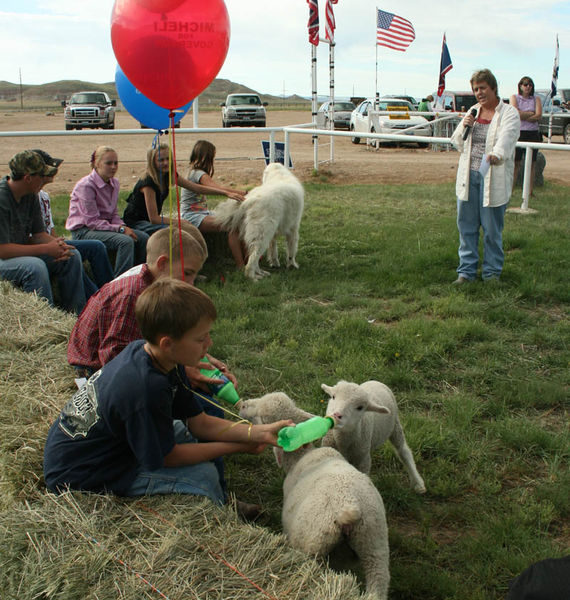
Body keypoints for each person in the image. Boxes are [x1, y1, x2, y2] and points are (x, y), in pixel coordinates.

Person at [45, 278, 293, 511]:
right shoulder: (145, 388)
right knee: (203, 475)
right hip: (83, 474)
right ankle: (221, 510)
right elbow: (168, 457)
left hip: (108, 445)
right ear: (167, 343)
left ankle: (222, 499)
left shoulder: (158, 358)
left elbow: (200, 423)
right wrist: (235, 446)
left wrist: (256, 433)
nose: (209, 344)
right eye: (200, 338)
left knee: (183, 432)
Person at [450, 69, 520, 284]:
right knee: (467, 227)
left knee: (491, 230)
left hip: (493, 176)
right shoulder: (473, 111)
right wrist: (465, 125)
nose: (479, 93)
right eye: (475, 89)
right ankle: (466, 272)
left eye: (483, 88)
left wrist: (495, 155)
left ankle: (491, 274)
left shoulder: (508, 113)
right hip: (469, 178)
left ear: (493, 88)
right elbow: (456, 142)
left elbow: (507, 138)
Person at [0, 150, 85, 314]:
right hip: (3, 259)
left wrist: (58, 246)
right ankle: (48, 320)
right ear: (28, 178)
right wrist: (46, 249)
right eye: (41, 176)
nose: (45, 180)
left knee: (72, 256)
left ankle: (76, 316)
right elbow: (3, 250)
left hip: (16, 254)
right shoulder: (2, 200)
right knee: (35, 267)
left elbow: (39, 234)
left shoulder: (30, 194)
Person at [32, 149, 114, 300]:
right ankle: (97, 298)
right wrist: (58, 246)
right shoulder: (31, 198)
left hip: (49, 242)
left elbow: (50, 229)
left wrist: (59, 242)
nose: (54, 172)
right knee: (72, 255)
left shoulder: (44, 196)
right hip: (38, 246)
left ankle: (109, 289)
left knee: (96, 246)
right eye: (51, 169)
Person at [123, 143, 246, 236]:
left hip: (151, 220)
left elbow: (197, 188)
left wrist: (226, 193)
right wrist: (179, 222)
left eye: (168, 159)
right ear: (153, 162)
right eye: (161, 160)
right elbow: (154, 219)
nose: (166, 163)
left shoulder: (169, 175)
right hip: (137, 222)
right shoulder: (148, 183)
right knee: (177, 232)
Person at [66, 146, 150, 277]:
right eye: (109, 163)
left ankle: (139, 277)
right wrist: (120, 230)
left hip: (103, 228)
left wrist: (122, 226)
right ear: (97, 164)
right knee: (125, 241)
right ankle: (120, 282)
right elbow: (91, 222)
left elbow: (113, 214)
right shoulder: (86, 186)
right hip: (84, 231)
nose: (113, 167)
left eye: (116, 163)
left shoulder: (114, 183)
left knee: (143, 237)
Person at [180, 140, 247, 269]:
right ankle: (241, 265)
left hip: (201, 212)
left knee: (238, 220)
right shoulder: (199, 174)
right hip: (192, 216)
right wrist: (245, 192)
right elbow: (218, 189)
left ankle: (248, 260)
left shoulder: (192, 171)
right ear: (207, 157)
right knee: (232, 225)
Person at [509, 76, 543, 196]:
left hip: (533, 134)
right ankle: (510, 190)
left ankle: (529, 192)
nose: (528, 86)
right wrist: (530, 114)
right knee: (515, 162)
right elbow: (515, 113)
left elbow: (538, 115)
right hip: (519, 133)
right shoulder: (514, 97)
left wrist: (524, 115)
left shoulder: (536, 99)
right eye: (525, 84)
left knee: (532, 163)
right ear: (520, 86)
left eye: (530, 84)